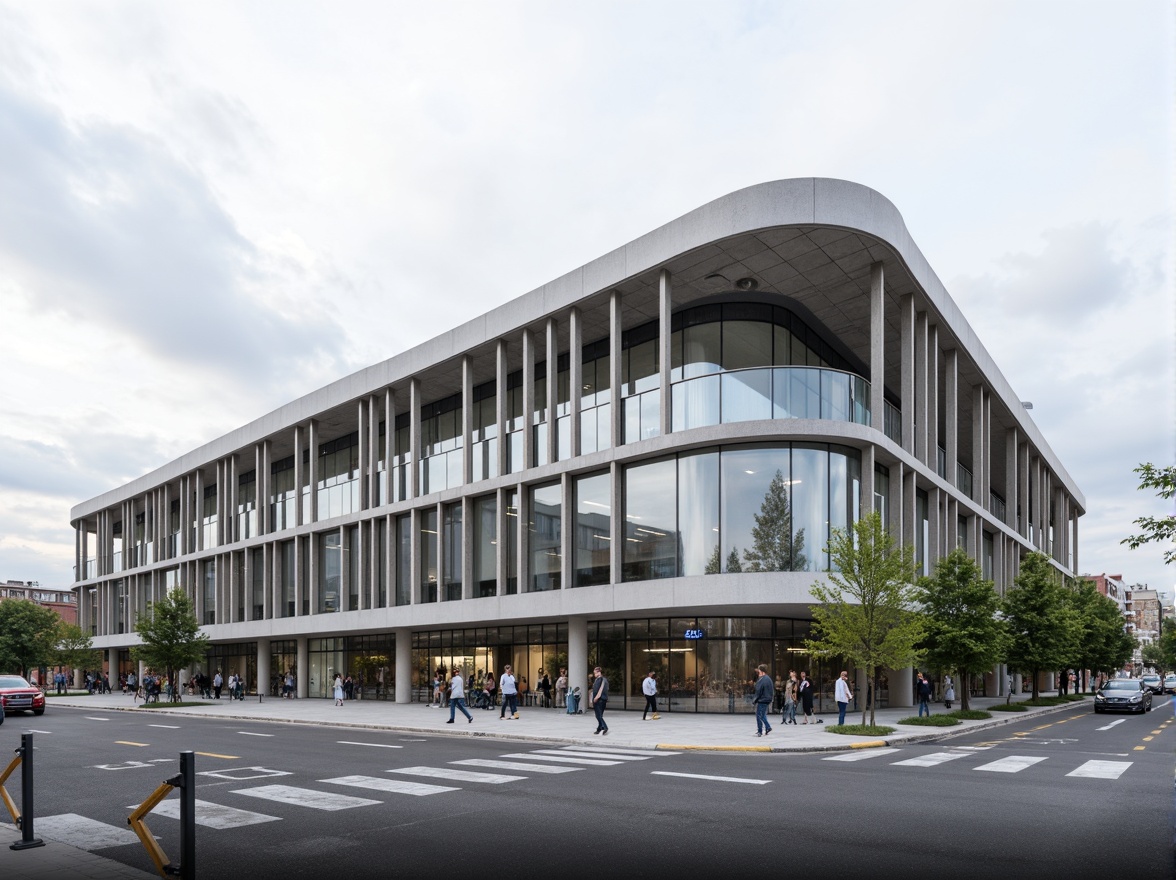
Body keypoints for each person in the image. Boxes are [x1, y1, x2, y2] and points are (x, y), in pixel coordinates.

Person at [753, 664, 774, 737]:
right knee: (763, 714)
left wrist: (755, 700)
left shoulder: (762, 680)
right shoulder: (768, 679)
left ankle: (760, 731)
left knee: (759, 715)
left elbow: (758, 691)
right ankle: (767, 728)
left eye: (759, 672)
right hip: (767, 699)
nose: (758, 673)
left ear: (761, 671)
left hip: (762, 700)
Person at [591, 666, 609, 735]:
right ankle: (599, 728)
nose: (594, 674)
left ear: (599, 672)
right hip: (603, 699)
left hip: (599, 699)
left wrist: (596, 698)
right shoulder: (604, 680)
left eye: (595, 672)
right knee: (599, 715)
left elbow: (600, 690)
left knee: (598, 715)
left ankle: (604, 727)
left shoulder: (600, 679)